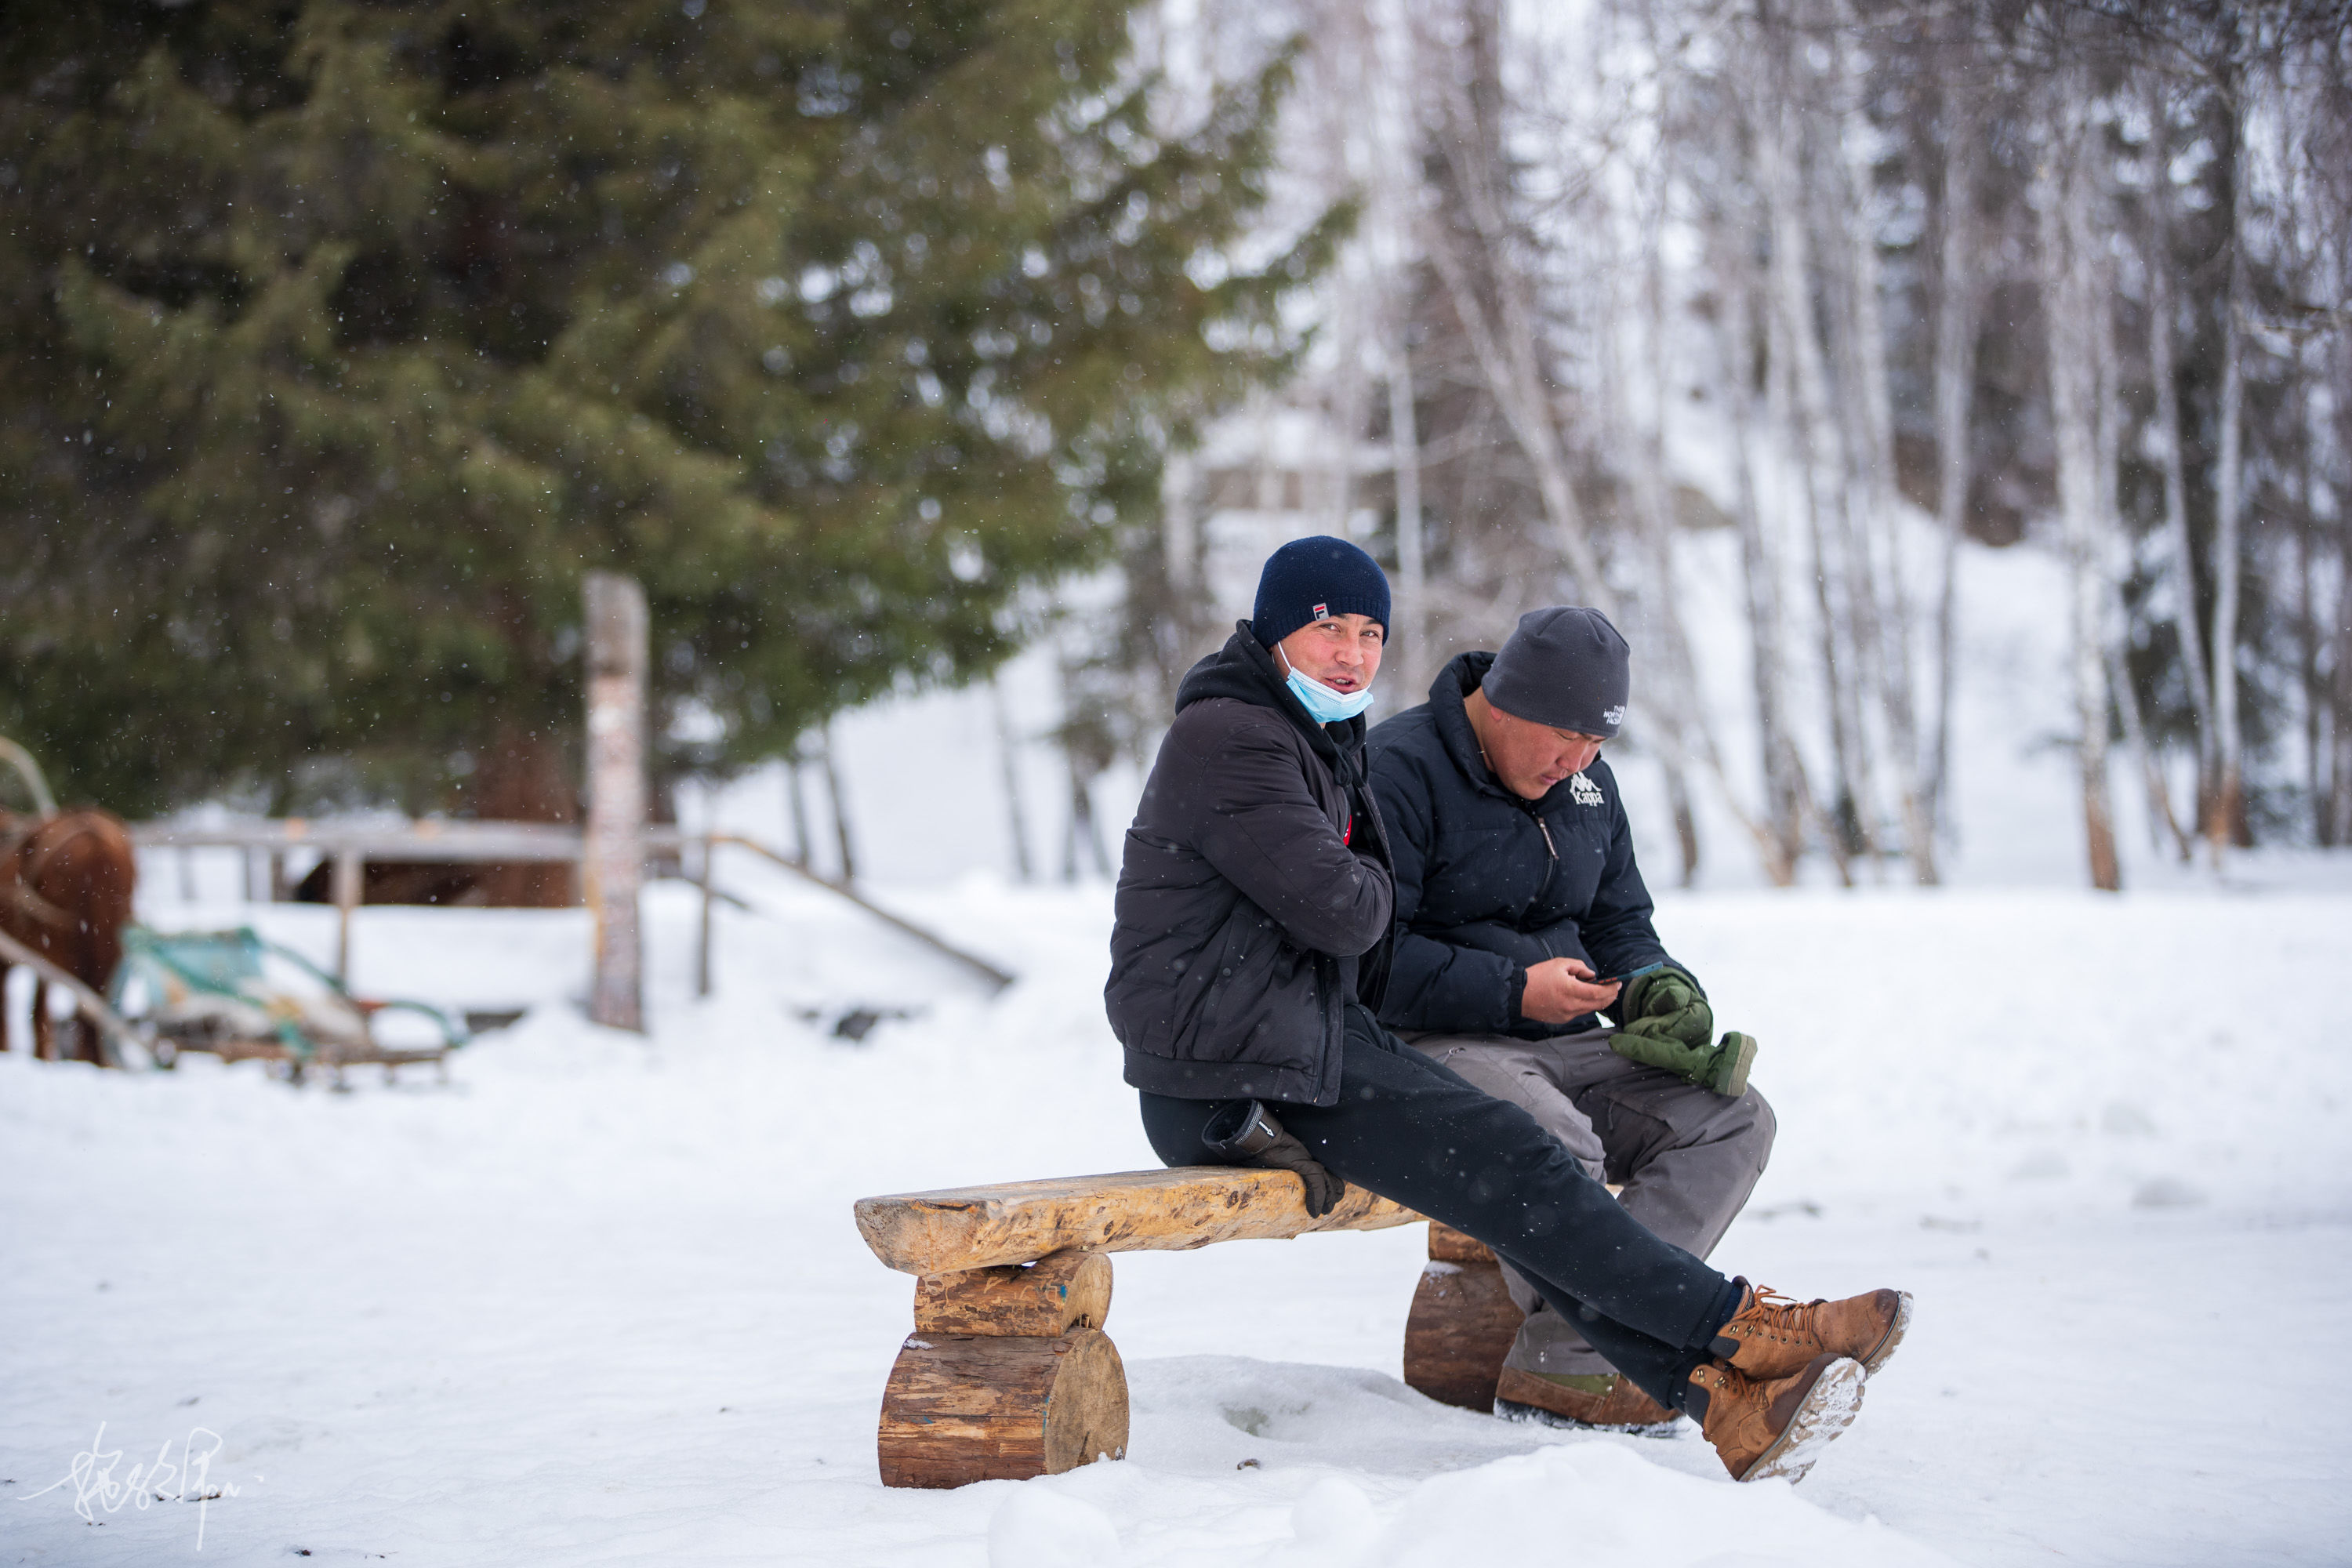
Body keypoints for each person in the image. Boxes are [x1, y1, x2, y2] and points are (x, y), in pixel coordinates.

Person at [1105, 539, 1911, 1483]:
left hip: (1291, 1041)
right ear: (1276, 626)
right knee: (1521, 1151)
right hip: (1227, 1076)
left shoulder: (1312, 736)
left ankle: (1725, 1397)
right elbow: (1356, 914)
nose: (1354, 653)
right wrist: (1471, 953)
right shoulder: (1236, 735)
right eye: (1329, 628)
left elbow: (1607, 917)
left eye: (1371, 632)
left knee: (1520, 1158)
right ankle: (1751, 1325)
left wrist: (1654, 983)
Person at [1367, 606, 1777, 1435]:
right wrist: (1513, 990)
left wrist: (1658, 985)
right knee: (1556, 1139)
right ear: (1507, 702)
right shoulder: (1396, 770)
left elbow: (1621, 920)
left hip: (1572, 1042)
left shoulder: (1586, 783)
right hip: (1437, 1044)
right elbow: (1373, 963)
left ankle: (1569, 1357)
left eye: (1598, 745)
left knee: (1735, 1118)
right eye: (1565, 738)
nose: (1579, 762)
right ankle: (1592, 1367)